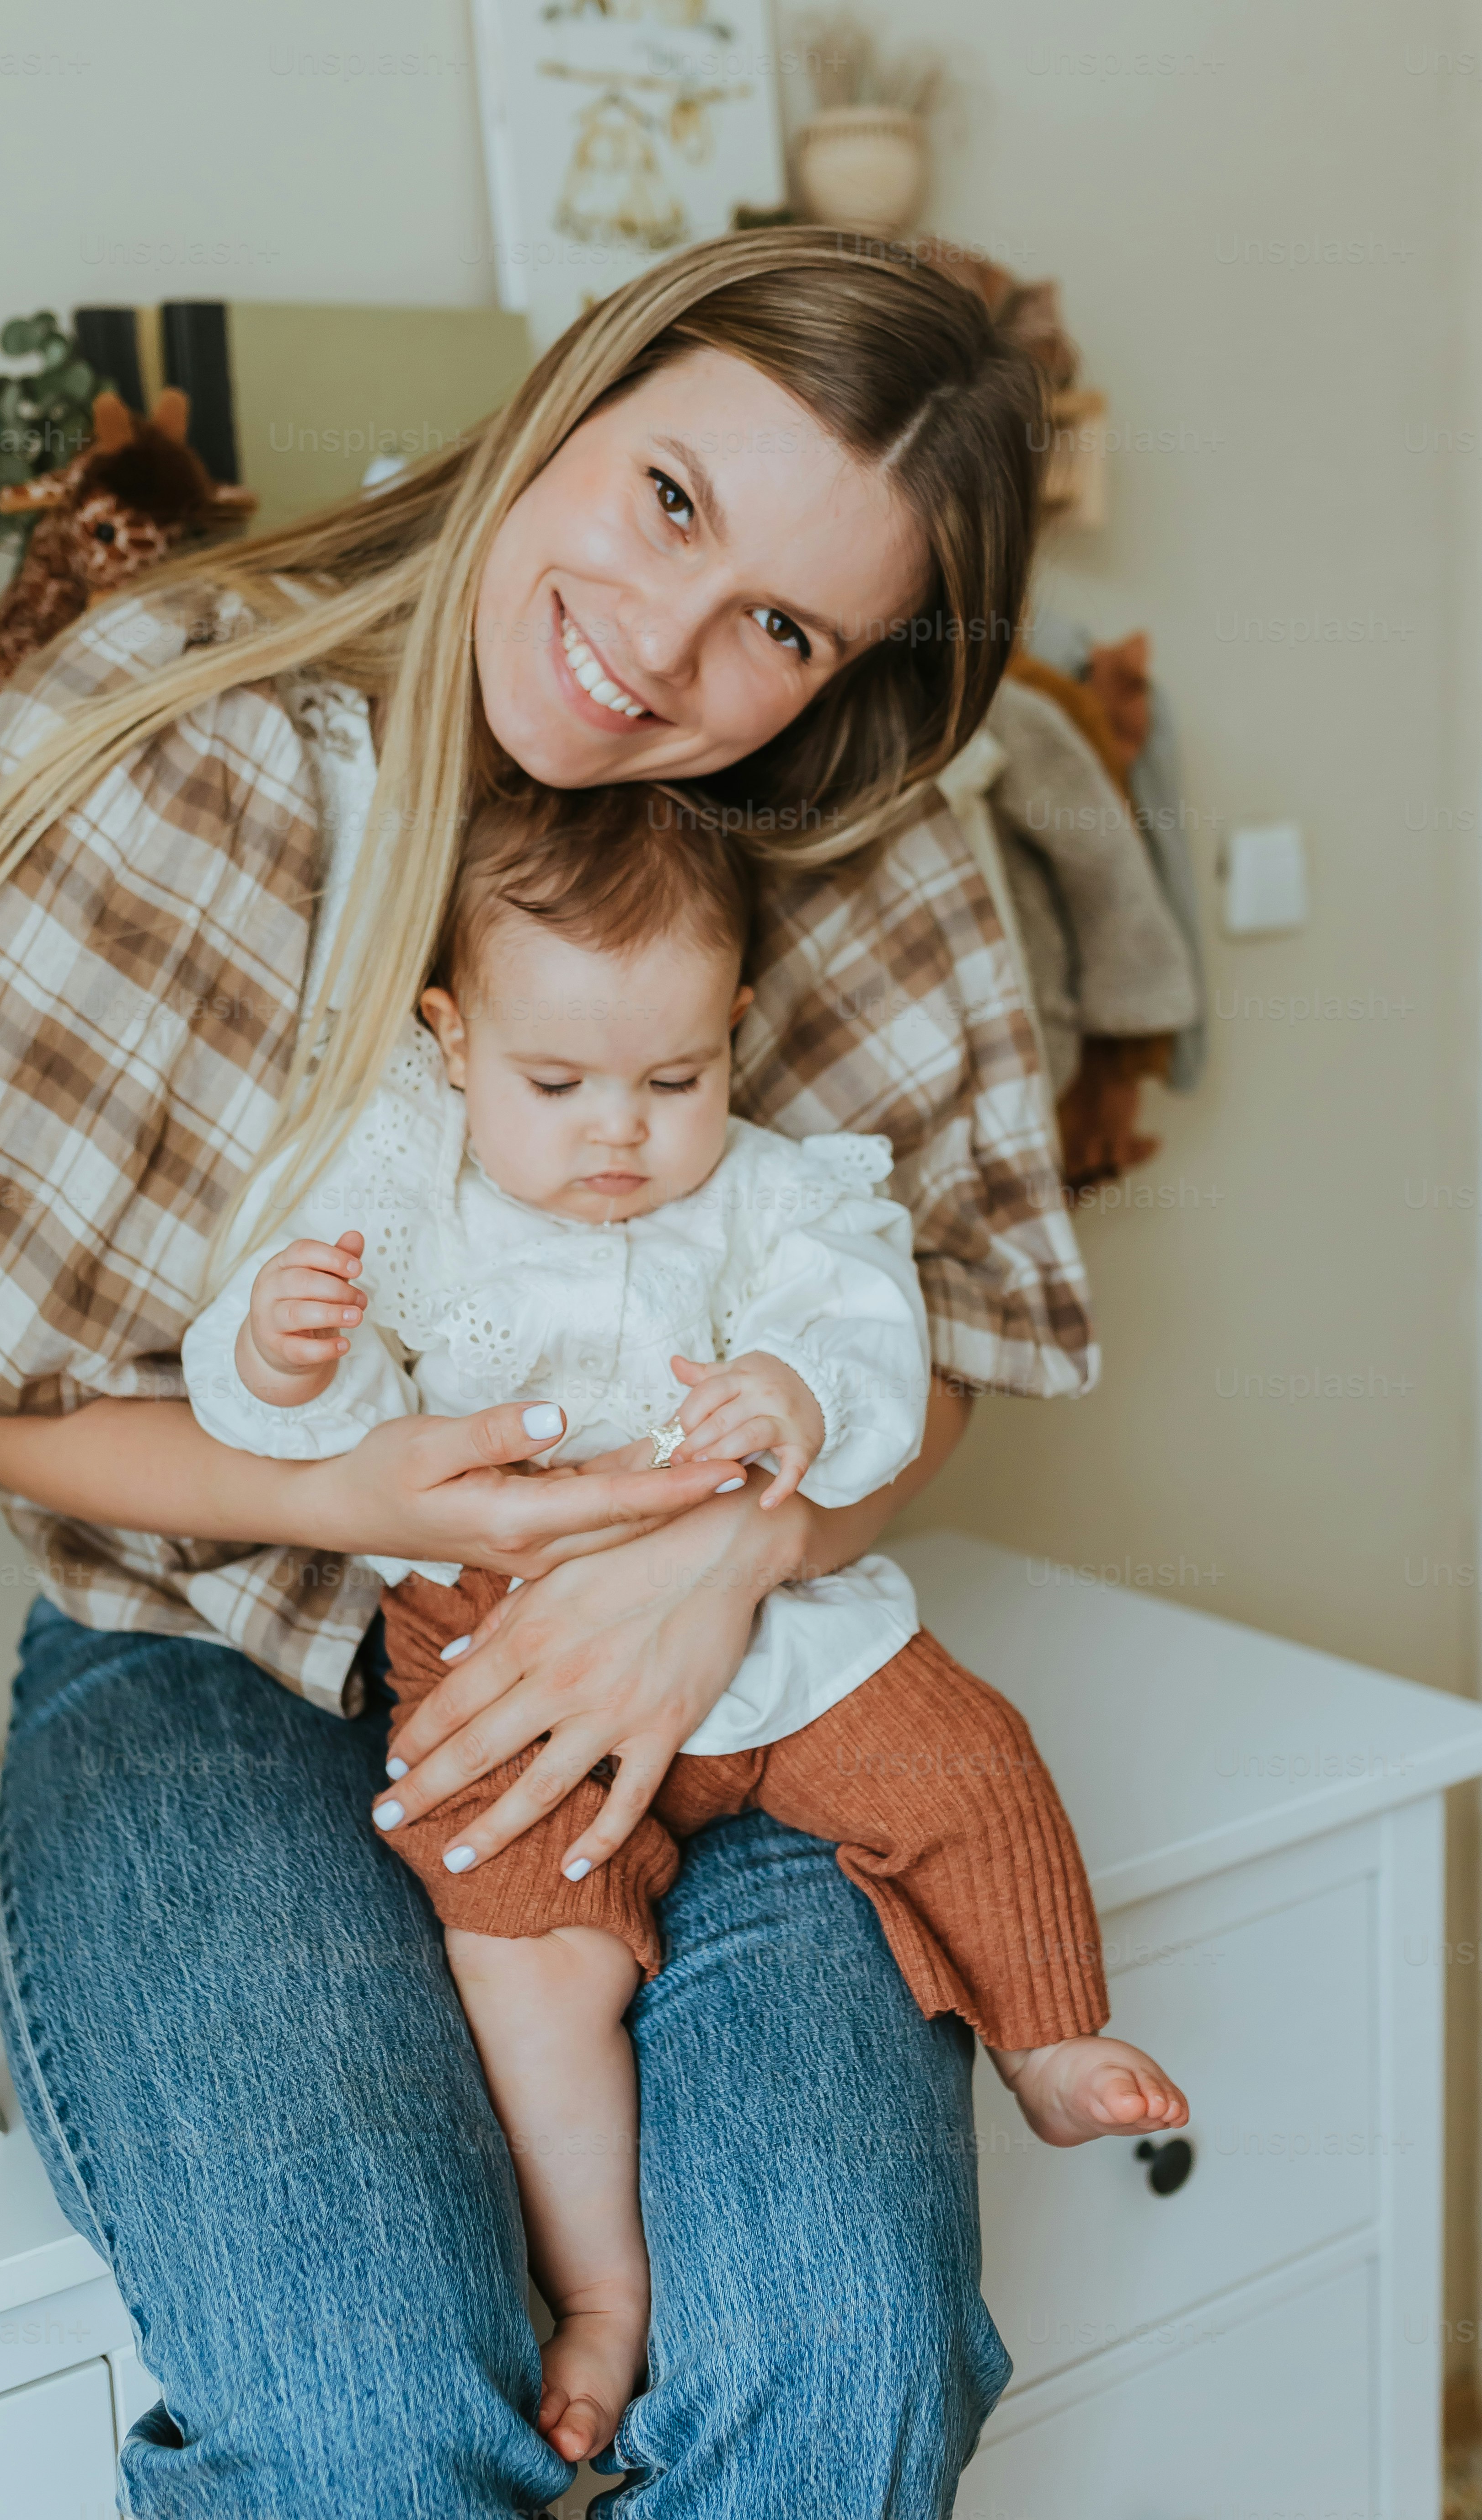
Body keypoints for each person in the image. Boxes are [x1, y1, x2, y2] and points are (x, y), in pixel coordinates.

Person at [0, 230, 1102, 2512]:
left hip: (724, 1676)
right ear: (592, 384)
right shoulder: (179, 730)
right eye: (673, 502)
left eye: (785, 627)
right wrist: (369, 1500)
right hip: (211, 1656)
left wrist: (724, 1562)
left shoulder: (836, 822)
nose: (663, 655)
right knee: (374, 2413)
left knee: (843, 2343)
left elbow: (949, 1335)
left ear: (851, 670)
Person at [181, 785, 1188, 2463]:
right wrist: (286, 1352)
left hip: (780, 1632)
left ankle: (1050, 2033)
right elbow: (297, 1424)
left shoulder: (779, 1196)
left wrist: (799, 1385)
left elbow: (867, 1328)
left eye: (674, 1081)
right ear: (451, 1036)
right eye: (556, 1084)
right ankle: (602, 2291)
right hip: (512, 1665)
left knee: (971, 1761)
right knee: (518, 1949)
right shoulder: (406, 1198)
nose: (617, 1135)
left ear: (733, 1032)